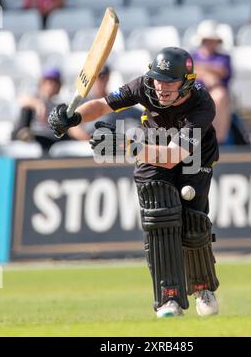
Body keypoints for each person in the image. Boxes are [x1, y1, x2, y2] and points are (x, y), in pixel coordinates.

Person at [48, 47, 220, 318]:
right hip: (152, 149)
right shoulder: (144, 85)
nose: (161, 88)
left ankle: (202, 286)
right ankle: (169, 298)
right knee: (159, 218)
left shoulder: (202, 105)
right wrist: (75, 118)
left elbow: (174, 155)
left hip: (193, 158)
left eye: (169, 82)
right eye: (157, 79)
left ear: (186, 82)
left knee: (193, 223)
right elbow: (103, 104)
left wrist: (127, 146)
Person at [192, 20, 250, 146]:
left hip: (215, 95)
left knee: (219, 95)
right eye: (206, 40)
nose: (209, 44)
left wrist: (200, 70)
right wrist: (208, 74)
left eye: (212, 40)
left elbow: (222, 71)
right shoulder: (193, 55)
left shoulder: (224, 57)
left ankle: (218, 140)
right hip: (194, 94)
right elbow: (187, 70)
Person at [72, 65, 142, 141]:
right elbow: (72, 126)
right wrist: (88, 140)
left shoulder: (116, 100)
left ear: (108, 77)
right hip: (84, 145)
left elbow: (140, 115)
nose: (100, 80)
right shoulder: (83, 100)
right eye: (97, 76)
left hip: (109, 146)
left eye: (103, 76)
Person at [13, 67, 73, 150]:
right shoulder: (33, 98)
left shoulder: (57, 105)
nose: (51, 86)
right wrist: (38, 105)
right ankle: (24, 135)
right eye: (48, 82)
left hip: (48, 139)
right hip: (33, 135)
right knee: (27, 109)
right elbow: (20, 100)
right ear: (42, 83)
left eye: (55, 83)